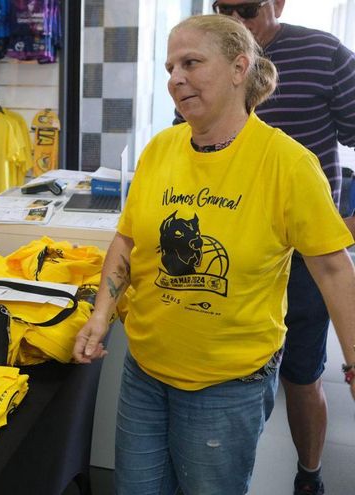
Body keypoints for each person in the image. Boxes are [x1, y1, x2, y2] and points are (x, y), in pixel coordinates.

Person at [73, 14, 355, 495]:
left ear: (238, 68)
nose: (175, 78)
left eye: (191, 62)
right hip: (145, 371)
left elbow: (332, 269)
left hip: (226, 384)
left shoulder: (286, 163)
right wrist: (101, 316)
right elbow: (128, 240)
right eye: (170, 68)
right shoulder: (160, 149)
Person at [209, 2, 355, 493]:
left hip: (302, 254)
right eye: (221, 8)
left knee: (301, 373)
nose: (234, 18)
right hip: (232, 246)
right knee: (229, 371)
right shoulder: (211, 54)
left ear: (279, 3)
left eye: (246, 8)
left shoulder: (325, 54)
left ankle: (308, 476)